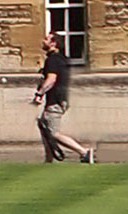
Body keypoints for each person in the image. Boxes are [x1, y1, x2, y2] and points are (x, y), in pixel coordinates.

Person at [35, 32, 94, 163]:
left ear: (53, 43)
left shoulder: (53, 60)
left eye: (46, 39)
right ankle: (50, 160)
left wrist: (39, 94)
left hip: (54, 101)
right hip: (60, 99)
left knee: (53, 133)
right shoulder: (61, 59)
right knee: (46, 131)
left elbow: (51, 80)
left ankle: (84, 152)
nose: (43, 41)